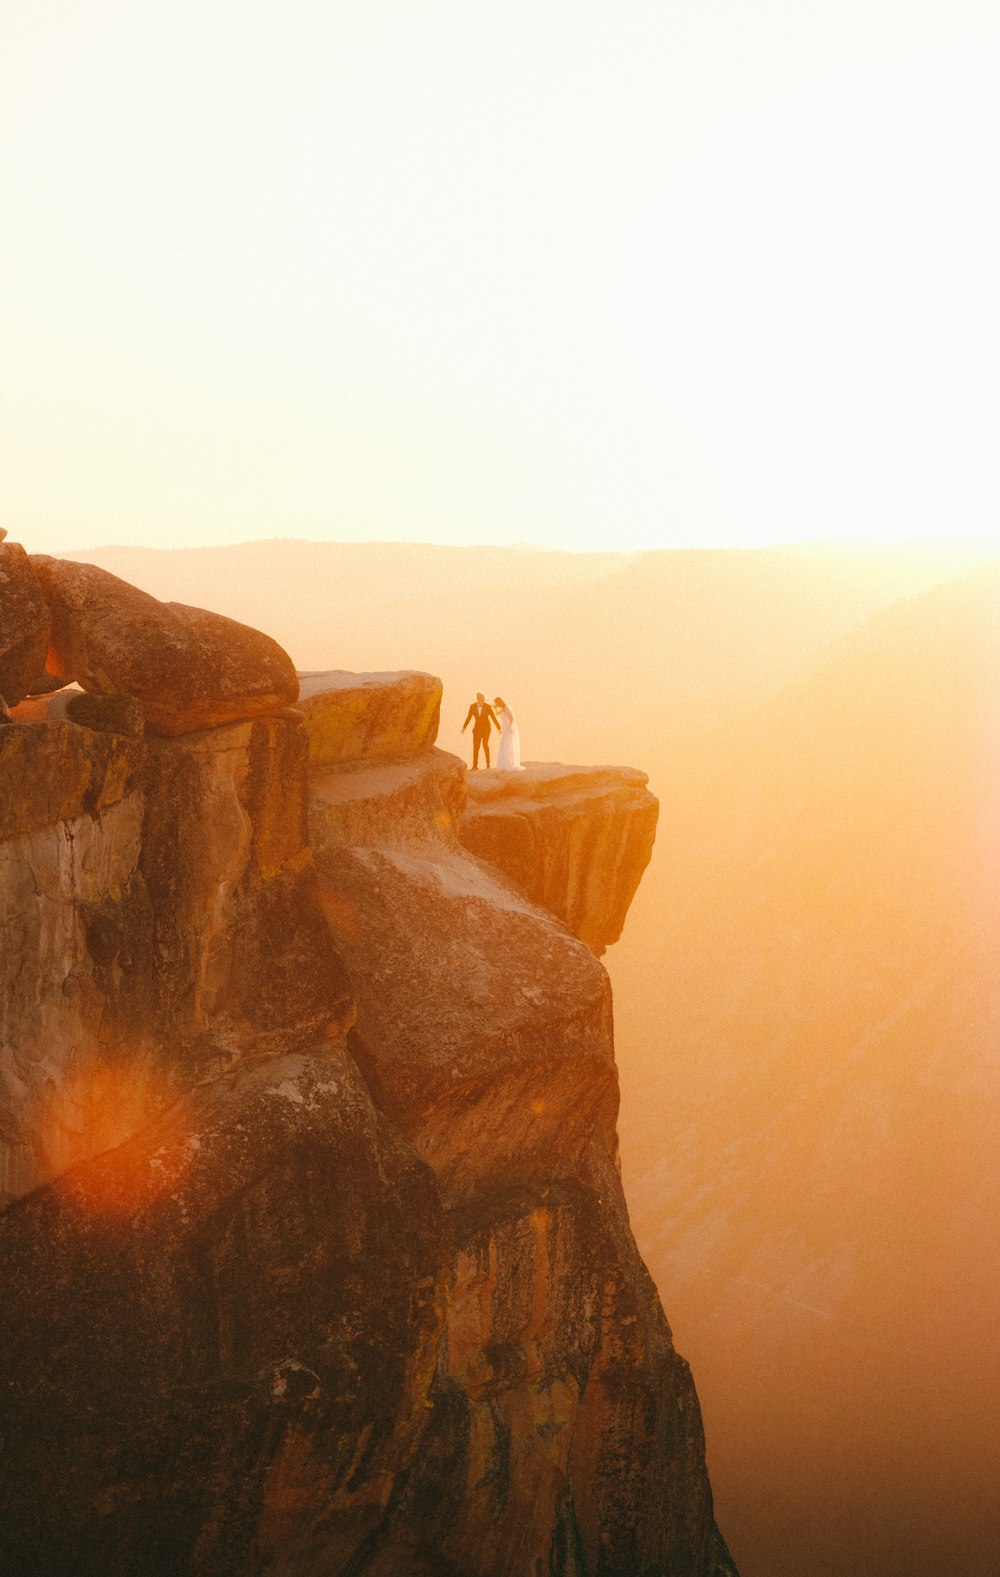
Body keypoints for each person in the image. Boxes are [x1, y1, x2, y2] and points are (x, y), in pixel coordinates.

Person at [461, 692, 500, 768]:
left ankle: (488, 764)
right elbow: (469, 717)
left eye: (483, 699)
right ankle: (475, 765)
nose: (481, 700)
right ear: (477, 698)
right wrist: (464, 727)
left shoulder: (488, 707)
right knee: (476, 747)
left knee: (485, 745)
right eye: (480, 698)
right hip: (477, 729)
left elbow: (493, 718)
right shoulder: (472, 707)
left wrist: (499, 728)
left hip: (486, 729)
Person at [493, 696, 524, 771]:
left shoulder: (507, 708)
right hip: (505, 727)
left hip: (508, 727)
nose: (496, 704)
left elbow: (512, 718)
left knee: (508, 744)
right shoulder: (503, 709)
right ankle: (505, 764)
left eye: (496, 703)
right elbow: (497, 714)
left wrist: (510, 727)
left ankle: (509, 764)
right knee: (504, 744)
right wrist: (495, 708)